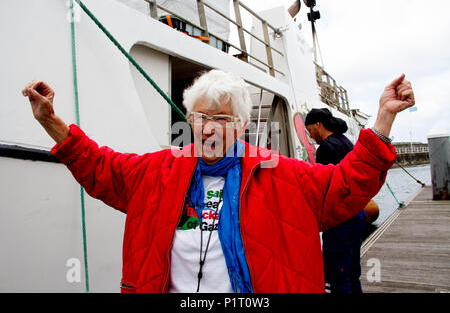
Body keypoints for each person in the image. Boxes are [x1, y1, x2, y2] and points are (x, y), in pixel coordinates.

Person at [21, 70, 414, 293]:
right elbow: (100, 166)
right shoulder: (157, 172)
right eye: (200, 116)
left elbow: (346, 185)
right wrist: (50, 122)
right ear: (189, 120)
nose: (209, 127)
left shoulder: (281, 174)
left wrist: (382, 121)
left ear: (241, 125)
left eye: (223, 119)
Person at [305, 108, 365, 293]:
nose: (310, 136)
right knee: (352, 272)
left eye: (310, 131)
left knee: (337, 278)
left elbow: (325, 186)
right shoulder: (345, 141)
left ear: (318, 125)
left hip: (339, 220)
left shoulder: (327, 148)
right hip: (356, 215)